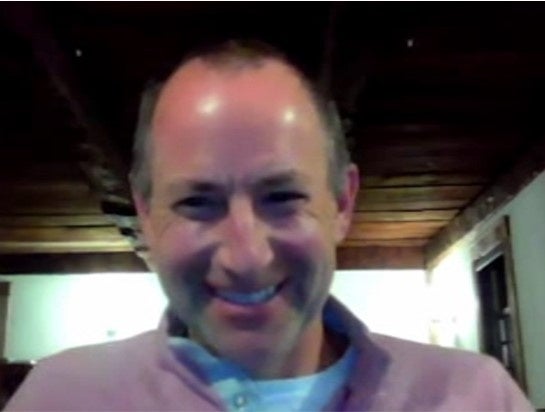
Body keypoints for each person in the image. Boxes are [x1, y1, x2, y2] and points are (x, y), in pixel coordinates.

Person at [5, 40, 534, 411]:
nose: (246, 256)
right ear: (145, 212)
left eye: (282, 197)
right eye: (197, 202)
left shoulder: (476, 398)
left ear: (342, 202)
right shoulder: (60, 398)